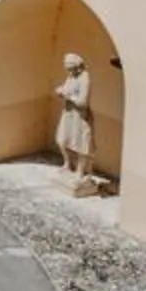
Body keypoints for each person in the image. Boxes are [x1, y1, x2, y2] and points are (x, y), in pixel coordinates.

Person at [55, 52, 97, 190]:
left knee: (81, 145)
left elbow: (83, 102)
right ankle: (67, 163)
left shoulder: (85, 79)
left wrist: (67, 96)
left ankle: (80, 171)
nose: (68, 71)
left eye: (69, 67)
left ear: (76, 66)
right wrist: (61, 91)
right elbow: (67, 88)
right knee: (61, 140)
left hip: (80, 116)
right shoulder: (71, 76)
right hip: (68, 113)